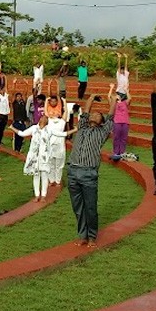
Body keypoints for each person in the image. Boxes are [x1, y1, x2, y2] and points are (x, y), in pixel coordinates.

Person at [67, 87, 116, 247]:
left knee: (90, 206)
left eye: (98, 115)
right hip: (73, 170)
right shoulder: (82, 126)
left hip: (88, 173)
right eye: (93, 113)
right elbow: (86, 110)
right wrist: (92, 97)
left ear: (101, 121)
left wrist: (113, 101)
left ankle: (92, 236)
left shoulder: (102, 132)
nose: (94, 114)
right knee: (78, 207)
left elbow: (111, 116)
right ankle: (82, 236)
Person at [11, 116, 74, 201]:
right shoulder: (34, 128)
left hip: (45, 156)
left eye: (46, 119)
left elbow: (62, 134)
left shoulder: (49, 130)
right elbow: (22, 133)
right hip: (34, 156)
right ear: (40, 120)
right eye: (43, 118)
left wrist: (74, 130)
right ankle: (37, 195)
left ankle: (43, 195)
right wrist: (12, 128)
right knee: (36, 175)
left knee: (44, 175)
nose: (44, 120)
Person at [111, 88, 132, 157]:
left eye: (118, 95)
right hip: (117, 122)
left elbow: (129, 98)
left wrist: (126, 91)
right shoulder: (113, 104)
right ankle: (116, 152)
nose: (117, 96)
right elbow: (109, 96)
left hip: (125, 122)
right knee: (116, 137)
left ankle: (122, 152)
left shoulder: (125, 103)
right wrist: (111, 88)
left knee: (124, 138)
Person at [10, 81, 29, 153]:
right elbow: (12, 93)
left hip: (22, 122)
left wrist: (26, 84)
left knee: (21, 136)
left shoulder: (23, 103)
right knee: (16, 136)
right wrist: (14, 84)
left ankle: (19, 148)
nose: (19, 97)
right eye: (17, 96)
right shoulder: (14, 103)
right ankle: (15, 149)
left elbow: (25, 94)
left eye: (20, 96)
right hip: (16, 122)